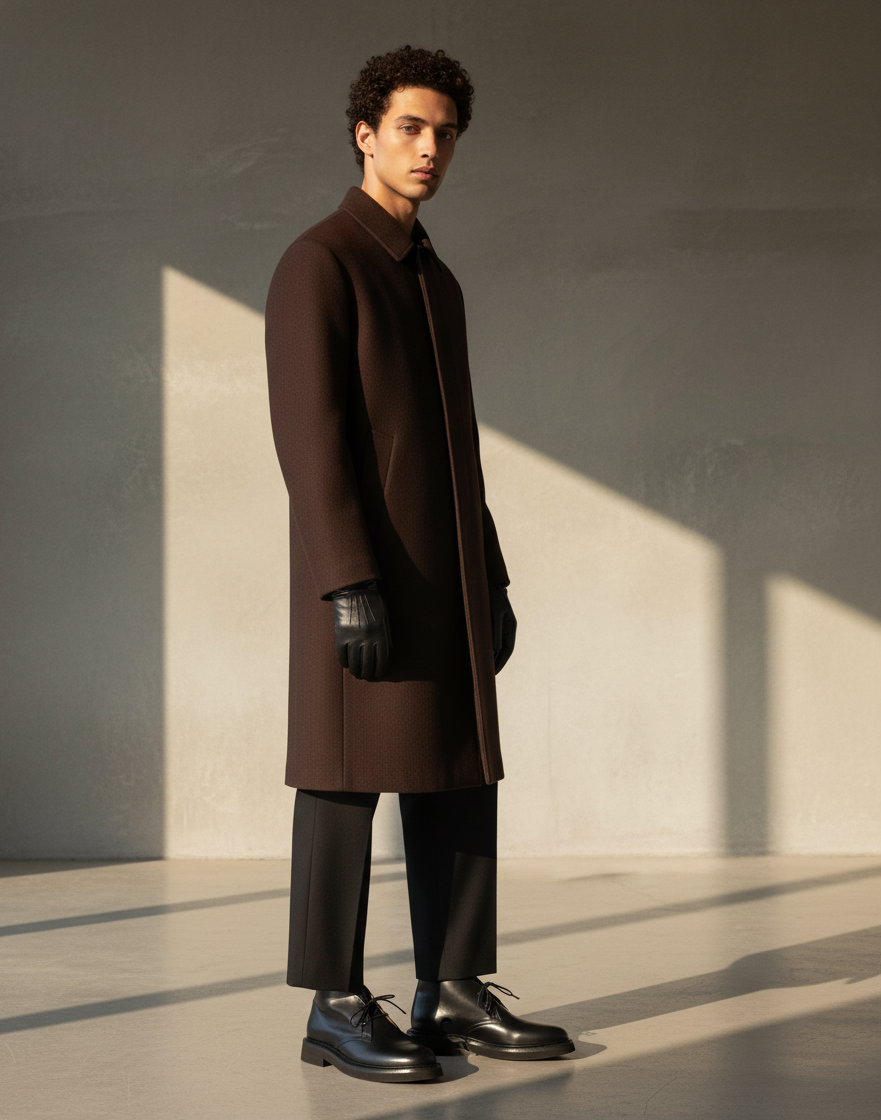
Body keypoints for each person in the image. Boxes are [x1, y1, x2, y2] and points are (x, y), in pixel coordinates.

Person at [264, 45, 573, 1083]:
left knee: (458, 771)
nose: (429, 147)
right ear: (365, 133)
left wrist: (492, 573)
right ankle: (334, 1005)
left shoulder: (437, 281)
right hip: (366, 578)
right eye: (409, 127)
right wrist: (345, 579)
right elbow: (310, 439)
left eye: (444, 133)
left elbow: (456, 451)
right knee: (343, 779)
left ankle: (454, 987)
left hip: (446, 574)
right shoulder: (320, 263)